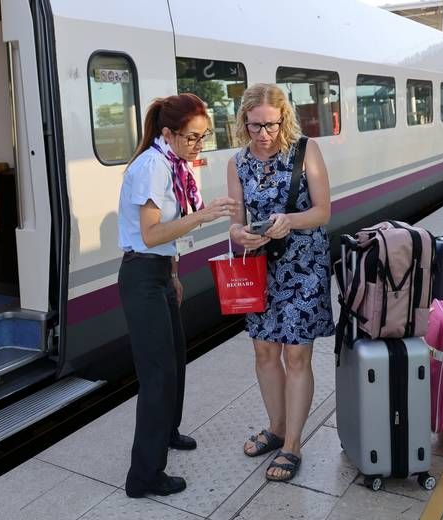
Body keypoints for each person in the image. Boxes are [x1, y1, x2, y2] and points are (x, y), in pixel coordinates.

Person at [117, 93, 240, 498]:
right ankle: (144, 475)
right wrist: (203, 216)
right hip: (140, 276)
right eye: (191, 138)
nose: (197, 146)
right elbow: (151, 233)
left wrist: (173, 272)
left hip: (157, 273)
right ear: (167, 133)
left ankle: (166, 432)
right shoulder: (153, 166)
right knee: (158, 373)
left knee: (176, 361)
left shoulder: (171, 163)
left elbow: (160, 240)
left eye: (203, 137)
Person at [226, 83, 335, 482]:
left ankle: (292, 444)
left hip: (305, 267)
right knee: (264, 353)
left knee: (297, 357)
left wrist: (290, 221)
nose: (264, 134)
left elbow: (323, 211)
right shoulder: (237, 163)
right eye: (255, 126)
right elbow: (235, 222)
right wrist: (241, 234)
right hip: (261, 269)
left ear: (283, 119)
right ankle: (275, 427)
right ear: (244, 122)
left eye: (271, 125)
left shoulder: (306, 151)